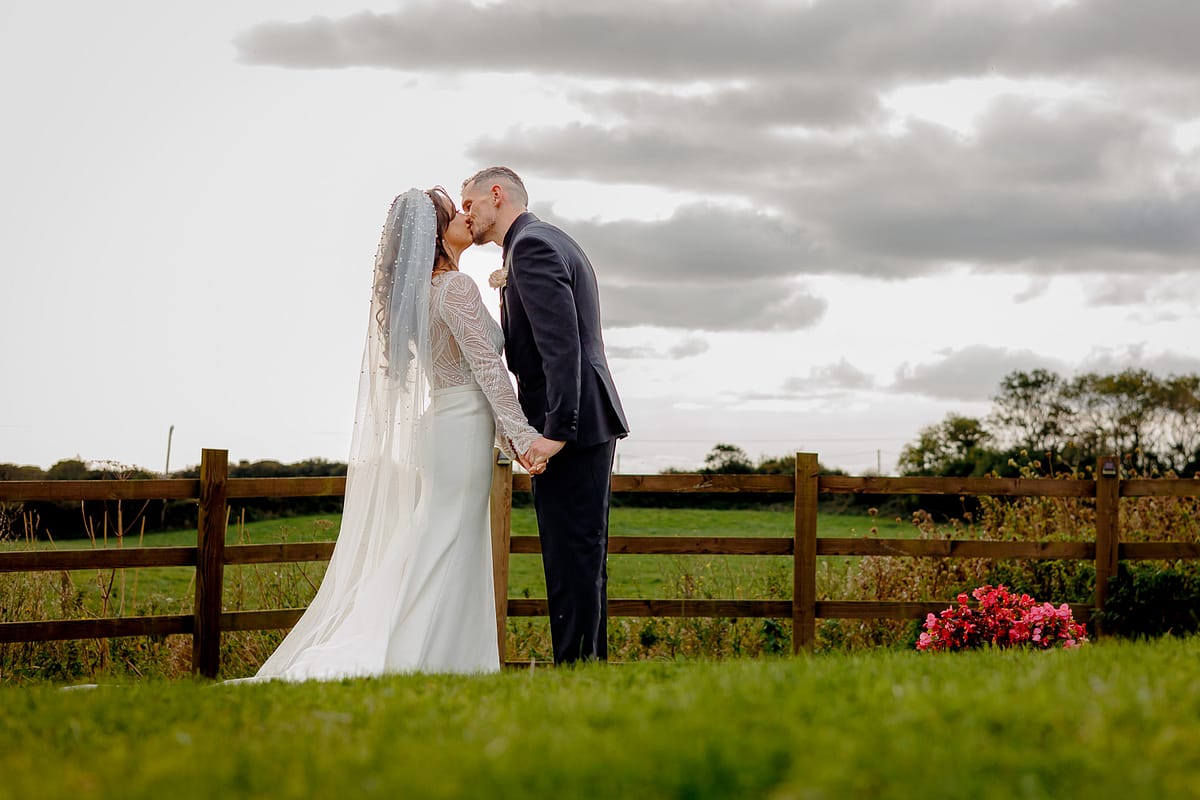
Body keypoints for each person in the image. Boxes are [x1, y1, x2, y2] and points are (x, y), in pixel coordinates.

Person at [246, 187, 541, 681]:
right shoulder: (455, 290)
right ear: (433, 234)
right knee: (447, 538)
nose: (467, 217)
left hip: (445, 425)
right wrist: (524, 438)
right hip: (462, 426)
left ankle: (450, 657)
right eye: (454, 214)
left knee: (441, 536)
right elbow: (488, 370)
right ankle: (416, 655)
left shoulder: (423, 296)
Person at [461, 167, 629, 664]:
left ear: (497, 195)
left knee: (571, 552)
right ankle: (585, 666)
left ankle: (576, 666)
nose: (466, 215)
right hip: (583, 417)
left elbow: (563, 348)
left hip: (571, 424)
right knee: (580, 551)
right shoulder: (541, 240)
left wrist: (555, 432)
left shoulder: (531, 247)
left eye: (470, 203)